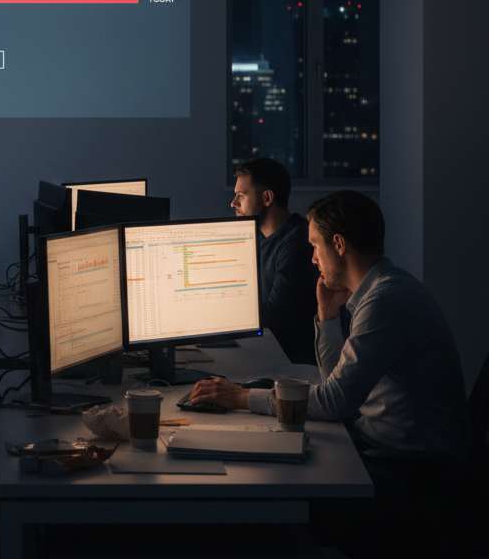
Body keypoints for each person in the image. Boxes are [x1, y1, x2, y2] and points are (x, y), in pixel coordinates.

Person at [191, 190, 470, 465]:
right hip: (386, 446)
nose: (313, 259)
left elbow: (334, 401)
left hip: (411, 466)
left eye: (315, 246)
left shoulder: (385, 302)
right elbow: (334, 382)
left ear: (338, 244)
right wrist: (327, 315)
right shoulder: (387, 288)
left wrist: (242, 397)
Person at [231, 157, 318, 364]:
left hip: (294, 364)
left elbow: (275, 314)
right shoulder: (259, 236)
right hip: (268, 350)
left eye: (241, 196)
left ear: (267, 198)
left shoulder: (298, 241)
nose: (233, 203)